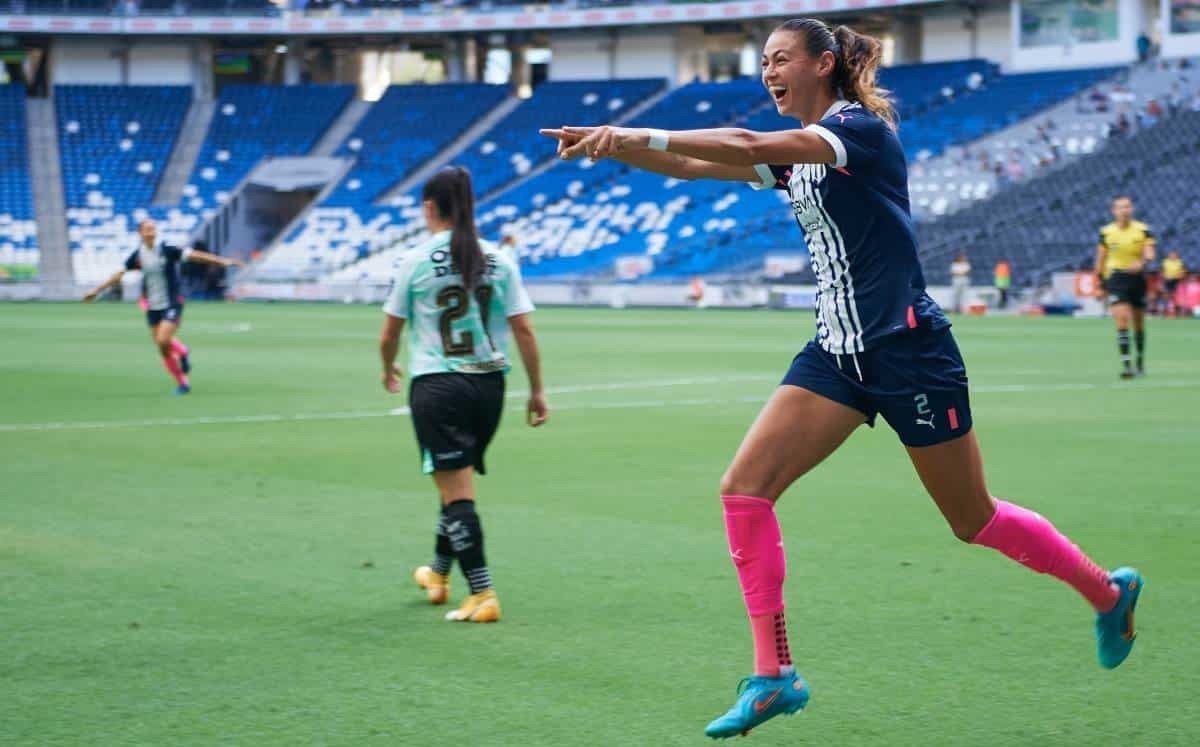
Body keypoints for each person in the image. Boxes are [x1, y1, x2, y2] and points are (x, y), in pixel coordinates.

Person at [540, 18, 1143, 740]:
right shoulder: (801, 157)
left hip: (909, 351)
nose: (769, 71)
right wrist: (618, 147)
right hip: (837, 355)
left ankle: (1107, 592)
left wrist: (638, 130)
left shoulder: (856, 132)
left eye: (781, 58)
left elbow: (745, 146)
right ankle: (773, 677)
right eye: (763, 60)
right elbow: (706, 168)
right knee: (744, 488)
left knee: (971, 518)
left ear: (824, 64)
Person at [379, 166, 549, 624]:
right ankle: (437, 574)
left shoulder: (415, 261)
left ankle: (482, 592)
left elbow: (389, 332)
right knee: (454, 480)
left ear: (430, 208)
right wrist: (536, 390)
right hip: (490, 386)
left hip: (438, 384)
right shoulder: (498, 258)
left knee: (456, 492)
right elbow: (525, 329)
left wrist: (387, 366)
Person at [82, 219, 241, 394]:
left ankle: (182, 354)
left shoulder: (167, 249)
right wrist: (96, 291)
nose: (151, 232)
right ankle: (183, 380)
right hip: (153, 306)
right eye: (147, 230)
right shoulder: (137, 256)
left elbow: (196, 255)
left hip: (172, 302)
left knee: (163, 339)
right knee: (162, 348)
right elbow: (118, 275)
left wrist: (222, 261)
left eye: (153, 229)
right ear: (140, 233)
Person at [1095, 196, 1155, 378]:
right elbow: (1101, 259)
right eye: (1120, 207)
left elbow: (1150, 253)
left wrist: (1142, 262)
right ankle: (1127, 365)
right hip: (1116, 278)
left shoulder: (1143, 230)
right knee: (1121, 320)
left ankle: (1140, 361)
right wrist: (1099, 283)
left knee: (1138, 323)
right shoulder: (1106, 232)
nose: (1124, 210)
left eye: (1127, 207)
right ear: (1114, 211)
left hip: (1136, 278)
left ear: (1132, 209)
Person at [1160, 250, 1186, 317]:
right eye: (1171, 254)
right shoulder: (1165, 262)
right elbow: (1161, 272)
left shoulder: (1180, 262)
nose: (1172, 256)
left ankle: (1176, 311)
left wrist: (1178, 276)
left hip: (1176, 281)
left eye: (1174, 254)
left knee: (1175, 296)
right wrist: (1164, 278)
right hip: (1167, 281)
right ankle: (1164, 311)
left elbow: (1183, 272)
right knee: (1166, 296)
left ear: (1177, 255)